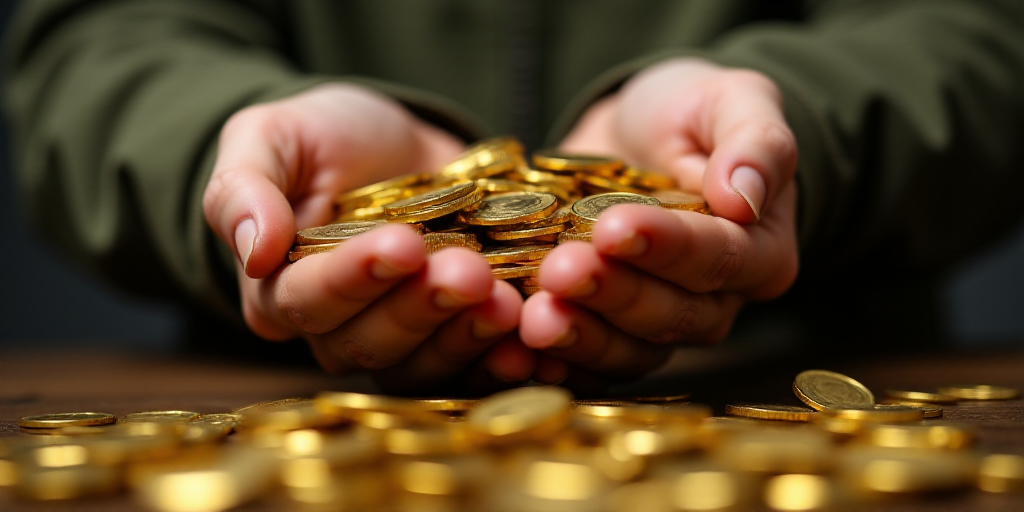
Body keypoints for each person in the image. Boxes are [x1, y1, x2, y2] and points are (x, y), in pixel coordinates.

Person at [4, 0, 1024, 395]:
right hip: (282, 396)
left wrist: (799, 130)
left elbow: (982, 37)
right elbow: (96, 41)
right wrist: (219, 148)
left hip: (791, 371)